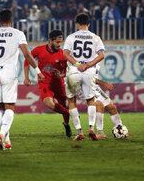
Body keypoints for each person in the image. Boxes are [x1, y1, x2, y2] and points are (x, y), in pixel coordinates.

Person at [0, 9, 44, 150]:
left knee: (1, 108)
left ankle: (6, 141)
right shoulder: (18, 34)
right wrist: (37, 70)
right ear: (11, 20)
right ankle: (1, 135)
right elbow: (26, 54)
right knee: (10, 107)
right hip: (9, 74)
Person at [63, 13, 105, 141]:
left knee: (71, 101)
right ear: (89, 24)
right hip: (89, 72)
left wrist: (77, 64)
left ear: (77, 24)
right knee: (91, 100)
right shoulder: (95, 37)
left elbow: (65, 53)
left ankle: (79, 132)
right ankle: (91, 129)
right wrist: (88, 64)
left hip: (74, 71)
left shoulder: (71, 37)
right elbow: (101, 55)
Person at [23, 30, 72, 137]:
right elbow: (27, 60)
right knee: (48, 103)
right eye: (57, 42)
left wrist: (62, 75)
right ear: (50, 41)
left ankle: (66, 123)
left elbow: (66, 71)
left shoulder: (63, 54)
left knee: (65, 105)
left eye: (61, 42)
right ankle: (67, 113)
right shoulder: (39, 50)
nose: (59, 45)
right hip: (44, 82)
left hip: (58, 83)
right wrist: (26, 77)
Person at [78, 65, 128, 139]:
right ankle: (100, 132)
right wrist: (104, 83)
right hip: (85, 88)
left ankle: (121, 130)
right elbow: (88, 78)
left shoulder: (97, 61)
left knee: (112, 107)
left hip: (95, 87)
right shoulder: (89, 59)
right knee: (99, 105)